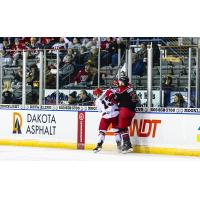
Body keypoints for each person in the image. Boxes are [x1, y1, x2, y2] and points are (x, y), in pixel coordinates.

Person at [105, 75, 138, 153]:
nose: (119, 82)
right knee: (124, 127)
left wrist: (109, 94)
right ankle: (128, 144)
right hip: (132, 110)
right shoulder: (130, 86)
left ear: (123, 82)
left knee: (121, 127)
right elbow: (123, 87)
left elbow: (115, 100)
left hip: (125, 109)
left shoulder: (122, 91)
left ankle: (127, 145)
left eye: (120, 81)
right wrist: (117, 84)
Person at [93, 88, 121, 153]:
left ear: (97, 94)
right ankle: (119, 146)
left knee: (102, 131)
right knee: (116, 131)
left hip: (106, 116)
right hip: (115, 114)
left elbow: (99, 110)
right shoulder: (107, 92)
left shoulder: (97, 101)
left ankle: (99, 145)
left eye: (95, 94)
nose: (95, 96)